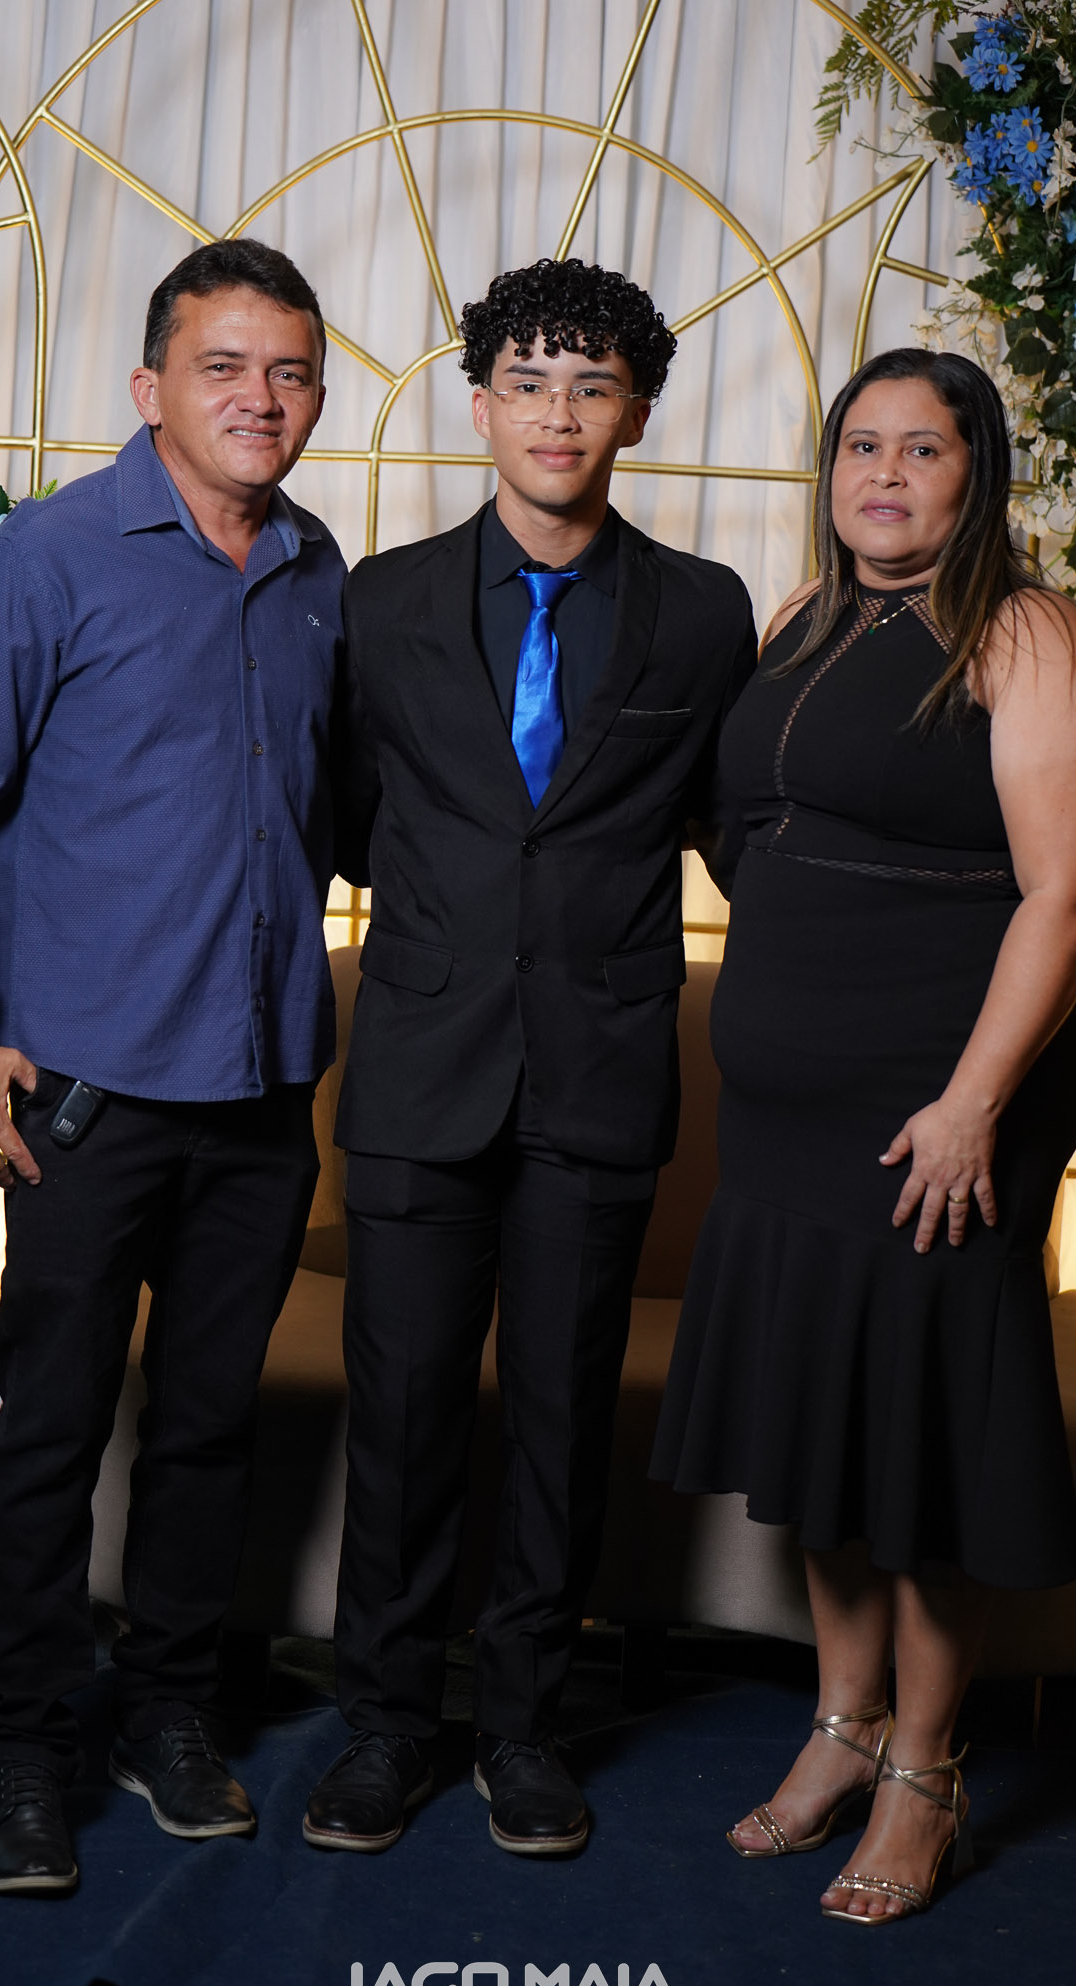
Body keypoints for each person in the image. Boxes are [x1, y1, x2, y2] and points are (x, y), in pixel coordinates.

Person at [0, 238, 345, 1895]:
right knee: (55, 1426)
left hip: (265, 1087)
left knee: (212, 1428)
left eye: (289, 371)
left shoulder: (317, 567)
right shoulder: (48, 558)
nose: (259, 398)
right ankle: (24, 1743)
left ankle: (168, 1714)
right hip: (80, 1097)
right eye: (224, 367)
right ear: (151, 387)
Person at [651, 347, 1076, 1922]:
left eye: (922, 449)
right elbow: (753, 826)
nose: (883, 474)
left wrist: (970, 1103)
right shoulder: (804, 617)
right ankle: (840, 1723)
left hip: (938, 1102)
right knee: (819, 1420)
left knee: (920, 1437)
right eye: (861, 445)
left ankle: (925, 1767)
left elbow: (1066, 894)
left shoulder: (1027, 633)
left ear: (975, 470)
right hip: (788, 1110)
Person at [303, 257, 757, 1859]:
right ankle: (381, 1726)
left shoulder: (704, 613)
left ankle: (524, 1729)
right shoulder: (382, 600)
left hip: (600, 1071)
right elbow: (346, 817)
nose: (558, 413)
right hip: (419, 1065)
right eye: (528, 381)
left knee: (562, 1418)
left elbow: (729, 824)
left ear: (635, 411)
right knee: (404, 1413)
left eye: (591, 385)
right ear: (480, 400)